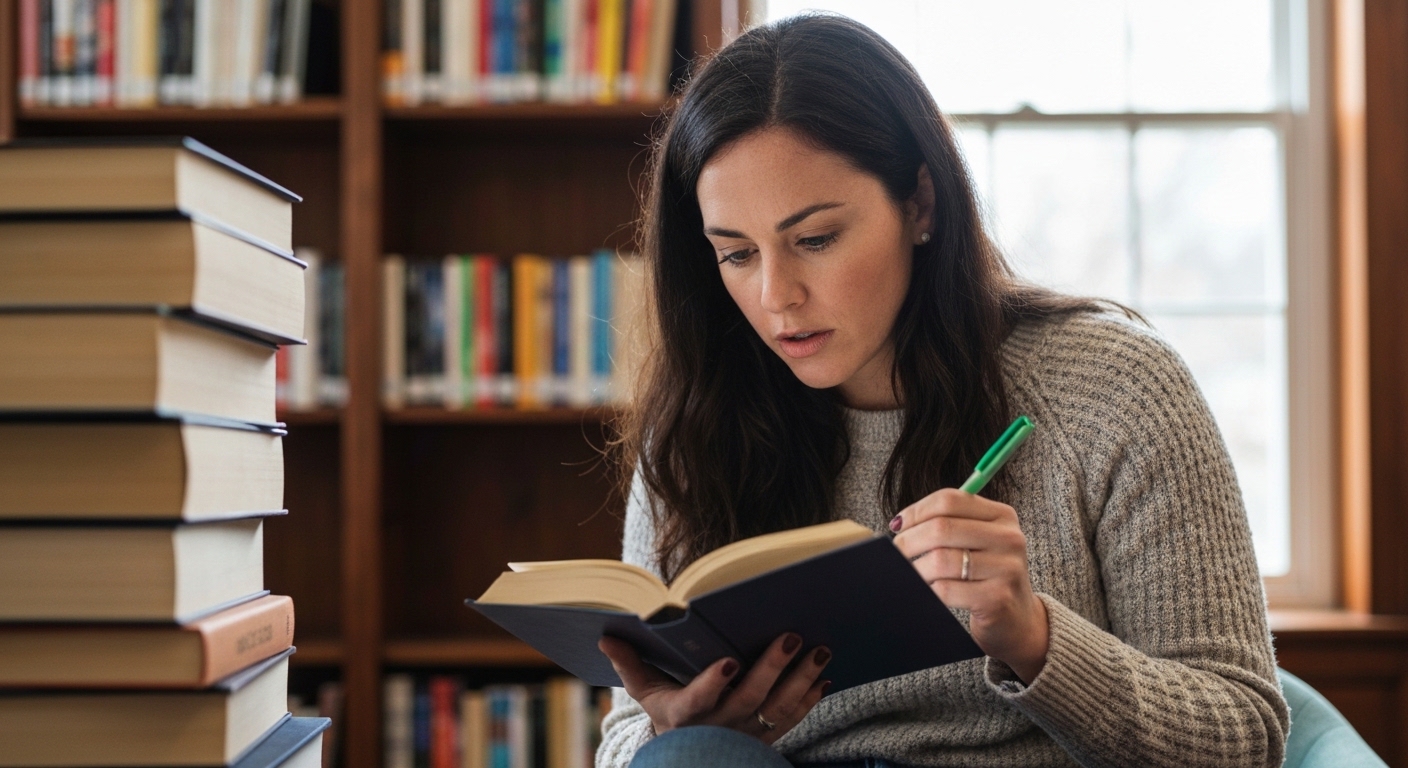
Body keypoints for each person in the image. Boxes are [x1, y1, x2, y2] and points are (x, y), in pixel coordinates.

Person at [596, 13, 1289, 768]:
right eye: (735, 254)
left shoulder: (1114, 388)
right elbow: (625, 735)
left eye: (816, 240)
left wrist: (1036, 639)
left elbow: (1245, 738)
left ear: (920, 205)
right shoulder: (702, 421)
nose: (776, 296)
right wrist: (679, 730)